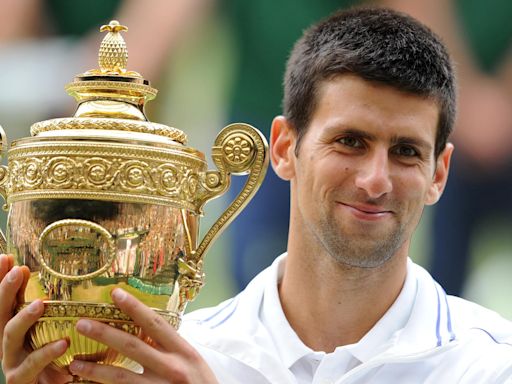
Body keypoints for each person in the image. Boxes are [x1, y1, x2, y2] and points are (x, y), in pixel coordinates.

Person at [1, 7, 512, 383]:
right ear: (285, 148)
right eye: (349, 142)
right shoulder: (170, 354)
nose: (376, 179)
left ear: (439, 173)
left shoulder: (491, 365)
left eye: (405, 152)